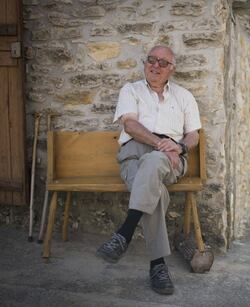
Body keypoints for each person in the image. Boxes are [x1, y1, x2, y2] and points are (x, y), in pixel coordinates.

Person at [96, 45, 202, 295]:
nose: (155, 65)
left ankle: (125, 231)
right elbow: (131, 126)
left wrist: (178, 147)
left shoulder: (184, 96)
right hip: (135, 153)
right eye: (151, 60)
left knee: (155, 163)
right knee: (157, 195)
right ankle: (158, 265)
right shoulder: (130, 90)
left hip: (171, 160)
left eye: (163, 62)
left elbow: (193, 135)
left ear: (172, 69)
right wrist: (159, 144)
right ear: (145, 63)